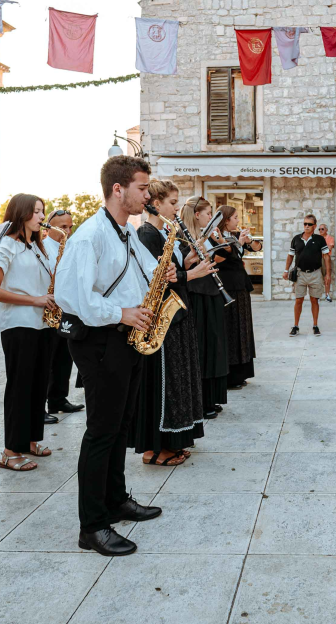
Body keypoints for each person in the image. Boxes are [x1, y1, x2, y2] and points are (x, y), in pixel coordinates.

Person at [53, 155, 167, 557]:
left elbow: (145, 270)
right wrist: (122, 313)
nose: (147, 194)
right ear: (118, 189)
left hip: (126, 338)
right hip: (101, 339)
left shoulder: (127, 233)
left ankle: (116, 499)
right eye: (141, 187)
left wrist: (164, 273)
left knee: (121, 425)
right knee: (101, 431)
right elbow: (73, 298)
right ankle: (92, 525)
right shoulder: (89, 236)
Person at [132, 180, 213, 466]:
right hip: (162, 320)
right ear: (155, 204)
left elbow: (172, 271)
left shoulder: (164, 233)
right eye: (172, 203)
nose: (176, 208)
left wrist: (189, 262)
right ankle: (155, 448)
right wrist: (193, 274)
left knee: (178, 380)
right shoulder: (146, 234)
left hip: (177, 316)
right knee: (164, 383)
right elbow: (156, 280)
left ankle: (173, 441)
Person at [0, 195, 56, 472]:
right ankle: (10, 450)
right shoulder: (6, 246)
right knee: (20, 387)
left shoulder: (37, 247)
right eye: (36, 212)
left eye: (42, 211)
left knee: (39, 385)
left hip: (42, 324)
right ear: (22, 213)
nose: (41, 216)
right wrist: (35, 300)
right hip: (18, 324)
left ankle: (30, 439)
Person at [181, 196, 229, 419]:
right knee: (202, 347)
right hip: (198, 297)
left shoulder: (203, 236)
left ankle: (210, 397)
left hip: (211, 294)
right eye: (208, 213)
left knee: (214, 346)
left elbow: (219, 258)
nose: (211, 217)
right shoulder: (184, 238)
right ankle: (200, 402)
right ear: (197, 214)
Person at [214, 205, 261, 389]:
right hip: (228, 288)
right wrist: (239, 244)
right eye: (235, 217)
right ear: (226, 220)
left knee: (243, 328)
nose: (237, 221)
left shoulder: (233, 236)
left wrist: (248, 240)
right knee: (232, 329)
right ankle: (231, 376)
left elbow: (257, 247)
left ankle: (242, 372)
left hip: (240, 286)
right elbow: (219, 258)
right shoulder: (217, 237)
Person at [43, 209, 84, 415]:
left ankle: (59, 399)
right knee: (48, 359)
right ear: (50, 227)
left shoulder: (70, 246)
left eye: (70, 226)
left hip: (66, 309)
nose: (68, 231)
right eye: (62, 227)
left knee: (64, 358)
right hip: (49, 309)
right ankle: (41, 405)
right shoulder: (42, 247)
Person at [284, 214, 330, 336]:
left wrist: (328, 274)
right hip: (300, 274)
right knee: (298, 300)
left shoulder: (320, 239)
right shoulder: (296, 239)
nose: (307, 226)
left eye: (309, 224)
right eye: (305, 224)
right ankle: (295, 326)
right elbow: (290, 256)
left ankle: (315, 325)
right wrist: (285, 270)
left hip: (315, 273)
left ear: (314, 226)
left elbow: (326, 256)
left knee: (314, 300)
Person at [316, 223, 335, 302]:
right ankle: (317, 296)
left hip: (326, 259)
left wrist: (319, 249)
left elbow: (329, 248)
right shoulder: (316, 238)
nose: (320, 230)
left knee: (327, 277)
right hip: (317, 259)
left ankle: (327, 295)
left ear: (326, 230)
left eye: (322, 229)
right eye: (319, 229)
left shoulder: (330, 238)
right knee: (316, 277)